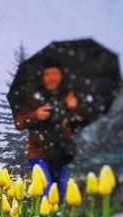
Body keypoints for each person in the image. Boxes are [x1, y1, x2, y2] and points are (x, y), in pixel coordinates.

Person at [14, 59, 86, 199]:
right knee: (45, 192)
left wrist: (75, 108)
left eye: (54, 73)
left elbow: (82, 120)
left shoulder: (69, 96)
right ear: (42, 76)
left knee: (62, 194)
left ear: (61, 76)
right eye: (47, 74)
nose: (51, 78)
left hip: (62, 152)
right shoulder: (33, 97)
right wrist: (36, 114)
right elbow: (19, 122)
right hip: (39, 152)